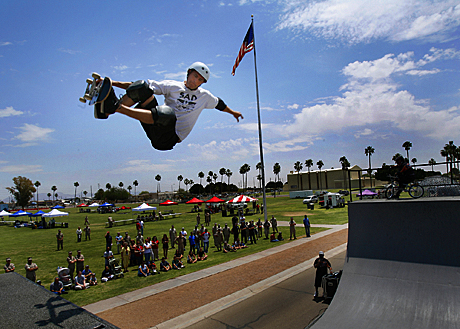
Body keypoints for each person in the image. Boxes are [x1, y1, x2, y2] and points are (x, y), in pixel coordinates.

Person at [93, 62, 243, 151]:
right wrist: (112, 83)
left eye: (200, 80)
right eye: (195, 76)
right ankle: (106, 111)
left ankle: (116, 107)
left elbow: (220, 104)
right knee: (143, 87)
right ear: (189, 73)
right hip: (155, 126)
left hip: (168, 139)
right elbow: (136, 86)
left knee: (167, 114)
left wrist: (233, 112)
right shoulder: (172, 86)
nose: (196, 81)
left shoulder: (204, 96)